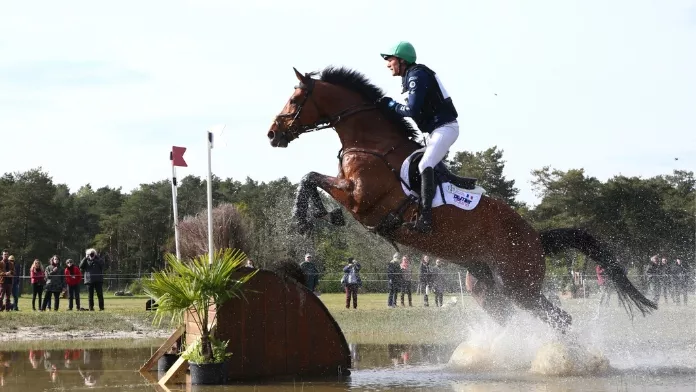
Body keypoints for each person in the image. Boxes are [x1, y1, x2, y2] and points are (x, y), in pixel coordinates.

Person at [377, 41, 459, 234]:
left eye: (390, 59)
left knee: (424, 165)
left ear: (402, 60)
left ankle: (426, 220)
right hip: (436, 131)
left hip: (445, 128)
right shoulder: (411, 76)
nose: (388, 63)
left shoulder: (416, 75)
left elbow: (412, 110)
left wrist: (390, 106)